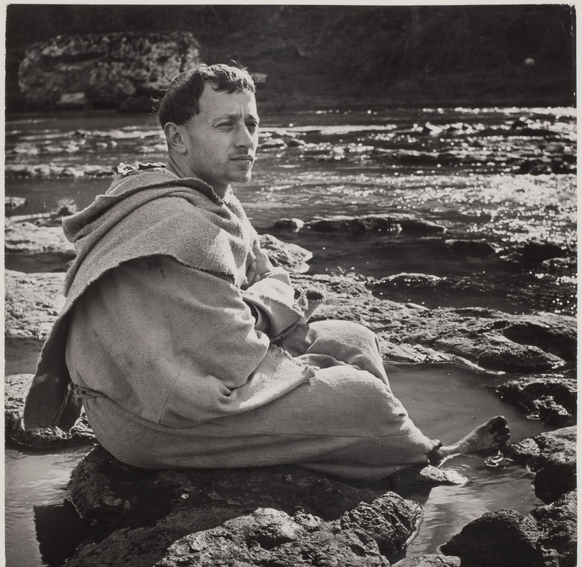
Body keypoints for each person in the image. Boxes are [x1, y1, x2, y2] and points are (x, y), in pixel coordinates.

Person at [23, 63, 510, 480]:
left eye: (251, 123)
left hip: (198, 371)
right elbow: (233, 347)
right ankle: (426, 457)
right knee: (363, 399)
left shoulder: (212, 198)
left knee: (356, 340)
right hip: (155, 419)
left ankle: (358, 448)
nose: (246, 141)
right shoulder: (177, 223)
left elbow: (264, 277)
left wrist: (271, 309)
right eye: (226, 125)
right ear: (177, 138)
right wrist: (280, 318)